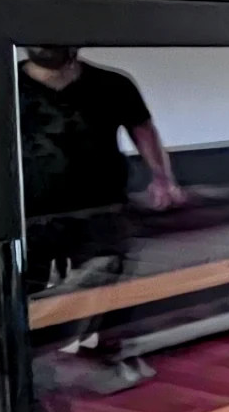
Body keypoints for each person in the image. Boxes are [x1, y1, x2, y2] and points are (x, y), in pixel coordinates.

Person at [18, 46, 183, 287]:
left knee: (102, 293)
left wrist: (162, 179)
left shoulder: (113, 84)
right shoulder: (4, 86)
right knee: (31, 296)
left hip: (102, 215)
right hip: (30, 219)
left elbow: (143, 130)